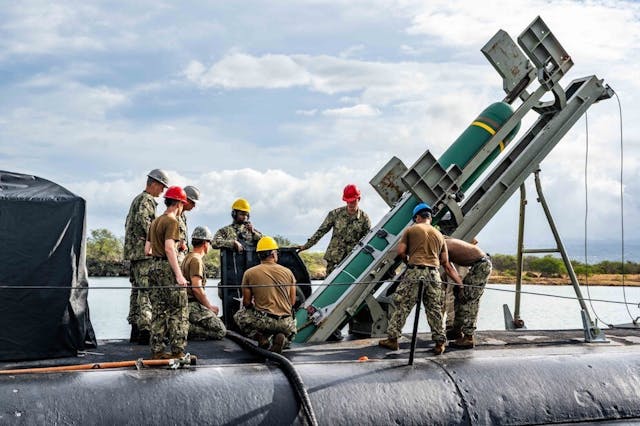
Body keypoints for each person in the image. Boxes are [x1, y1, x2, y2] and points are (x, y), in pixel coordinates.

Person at [378, 202, 461, 355]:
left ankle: (393, 340)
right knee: (434, 308)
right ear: (429, 217)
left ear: (417, 217)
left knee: (403, 305)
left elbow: (401, 251)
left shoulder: (411, 230)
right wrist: (459, 283)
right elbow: (445, 262)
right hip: (434, 274)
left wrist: (408, 261)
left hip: (415, 271)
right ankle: (439, 343)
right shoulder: (439, 236)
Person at [123, 168, 169, 344]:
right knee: (146, 291)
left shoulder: (138, 199)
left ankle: (135, 328)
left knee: (136, 291)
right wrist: (158, 241)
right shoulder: (146, 200)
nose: (163, 191)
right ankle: (145, 329)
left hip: (135, 254)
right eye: (162, 187)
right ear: (154, 184)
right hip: (144, 254)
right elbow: (146, 224)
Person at [145, 186, 190, 359]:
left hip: (153, 268)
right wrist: (179, 274)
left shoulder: (155, 221)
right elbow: (169, 248)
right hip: (167, 268)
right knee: (178, 310)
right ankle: (177, 351)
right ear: (179, 203)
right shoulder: (172, 221)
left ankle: (157, 350)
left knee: (158, 310)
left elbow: (147, 250)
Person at [233, 236, 297, 353]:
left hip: (265, 321)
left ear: (259, 255)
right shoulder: (289, 272)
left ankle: (260, 337)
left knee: (239, 316)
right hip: (285, 322)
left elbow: (246, 303)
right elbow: (292, 302)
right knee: (289, 332)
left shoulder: (249, 273)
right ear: (273, 254)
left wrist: (255, 303)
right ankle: (283, 338)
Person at [298, 184, 371, 275]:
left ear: (358, 199)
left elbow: (367, 240)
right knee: (330, 283)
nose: (350, 204)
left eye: (353, 201)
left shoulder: (364, 219)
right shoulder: (335, 214)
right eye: (348, 201)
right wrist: (306, 246)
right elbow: (321, 231)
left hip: (352, 259)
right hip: (334, 258)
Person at [444, 237, 492, 349]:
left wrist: (460, 285)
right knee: (459, 295)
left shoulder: (442, 244)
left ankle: (468, 337)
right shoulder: (443, 241)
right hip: (476, 265)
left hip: (481, 265)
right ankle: (457, 330)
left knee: (469, 299)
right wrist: (459, 285)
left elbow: (448, 267)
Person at [181, 225, 227, 340]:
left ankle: (182, 326)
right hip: (191, 305)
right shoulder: (196, 260)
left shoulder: (188, 257)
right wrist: (209, 307)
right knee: (220, 331)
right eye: (210, 243)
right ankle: (183, 329)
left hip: (185, 304)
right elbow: (196, 288)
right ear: (205, 243)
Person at [177, 185, 200, 264]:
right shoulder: (173, 215)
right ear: (185, 200)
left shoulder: (183, 216)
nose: (194, 206)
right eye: (192, 202)